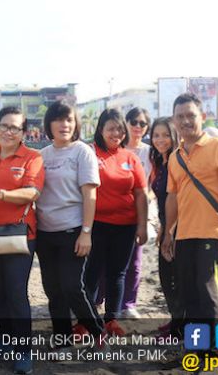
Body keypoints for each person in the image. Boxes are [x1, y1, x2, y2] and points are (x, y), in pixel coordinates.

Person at [161, 93, 218, 335]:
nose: (185, 121)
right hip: (184, 235)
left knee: (210, 294)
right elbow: (172, 198)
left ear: (202, 117)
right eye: (180, 117)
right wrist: (168, 233)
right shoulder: (175, 156)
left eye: (190, 115)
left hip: (213, 234)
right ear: (174, 121)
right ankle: (199, 347)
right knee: (189, 294)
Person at [0, 107, 44, 374]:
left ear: (24, 132)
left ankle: (24, 349)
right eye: (4, 126)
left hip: (19, 235)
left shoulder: (32, 158)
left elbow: (32, 193)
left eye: (15, 127)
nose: (8, 131)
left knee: (16, 292)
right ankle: (7, 341)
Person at [35, 100, 106, 352]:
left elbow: (90, 195)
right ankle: (62, 338)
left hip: (73, 231)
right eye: (58, 119)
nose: (64, 124)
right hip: (45, 233)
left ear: (75, 123)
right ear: (49, 124)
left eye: (68, 119)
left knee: (72, 287)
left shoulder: (82, 151)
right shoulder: (41, 155)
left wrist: (86, 233)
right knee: (53, 290)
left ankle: (98, 333)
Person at [85, 108, 148, 336]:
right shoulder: (89, 153)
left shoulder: (130, 157)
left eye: (120, 129)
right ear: (100, 129)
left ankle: (111, 320)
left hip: (126, 226)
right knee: (91, 274)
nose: (116, 133)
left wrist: (141, 225)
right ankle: (86, 321)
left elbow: (141, 192)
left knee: (117, 274)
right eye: (111, 128)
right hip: (96, 224)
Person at [120, 107, 153, 319]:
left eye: (142, 123)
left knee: (135, 261)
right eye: (133, 122)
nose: (137, 127)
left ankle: (129, 303)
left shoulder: (151, 152)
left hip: (140, 212)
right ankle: (102, 300)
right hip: (114, 212)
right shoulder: (116, 148)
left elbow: (154, 182)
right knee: (109, 261)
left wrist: (147, 199)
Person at [149, 117, 181, 337]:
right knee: (167, 278)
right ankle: (176, 322)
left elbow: (177, 199)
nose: (160, 140)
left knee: (173, 280)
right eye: (156, 135)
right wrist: (163, 226)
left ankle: (179, 328)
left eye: (165, 135)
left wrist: (169, 230)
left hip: (179, 228)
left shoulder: (176, 160)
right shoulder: (161, 161)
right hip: (166, 226)